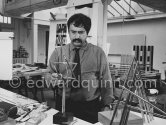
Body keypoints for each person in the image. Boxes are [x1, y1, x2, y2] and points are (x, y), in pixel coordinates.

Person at [48, 13, 114, 123]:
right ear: (68, 32)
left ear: (87, 33)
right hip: (64, 104)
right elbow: (49, 73)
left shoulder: (98, 53)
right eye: (73, 32)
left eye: (81, 32)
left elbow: (106, 80)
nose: (77, 36)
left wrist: (107, 104)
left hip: (89, 106)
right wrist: (52, 79)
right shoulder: (58, 52)